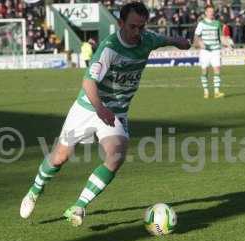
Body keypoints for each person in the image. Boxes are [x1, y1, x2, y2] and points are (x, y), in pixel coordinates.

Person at [20, 2, 190, 226]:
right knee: (60, 157)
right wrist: (100, 109)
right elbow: (89, 82)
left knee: (116, 155)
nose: (137, 32)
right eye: (132, 27)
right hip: (88, 108)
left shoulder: (147, 39)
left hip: (116, 112)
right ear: (120, 23)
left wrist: (180, 43)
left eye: (141, 27)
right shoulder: (109, 48)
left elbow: (168, 40)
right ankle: (35, 189)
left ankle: (79, 206)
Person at [193, 5, 230, 99]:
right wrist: (199, 43)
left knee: (217, 69)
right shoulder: (201, 23)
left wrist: (227, 44)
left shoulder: (217, 23)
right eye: (209, 11)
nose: (211, 13)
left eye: (212, 11)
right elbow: (196, 37)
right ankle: (206, 91)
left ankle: (216, 92)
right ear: (206, 12)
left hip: (216, 50)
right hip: (205, 51)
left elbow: (221, 37)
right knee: (204, 71)